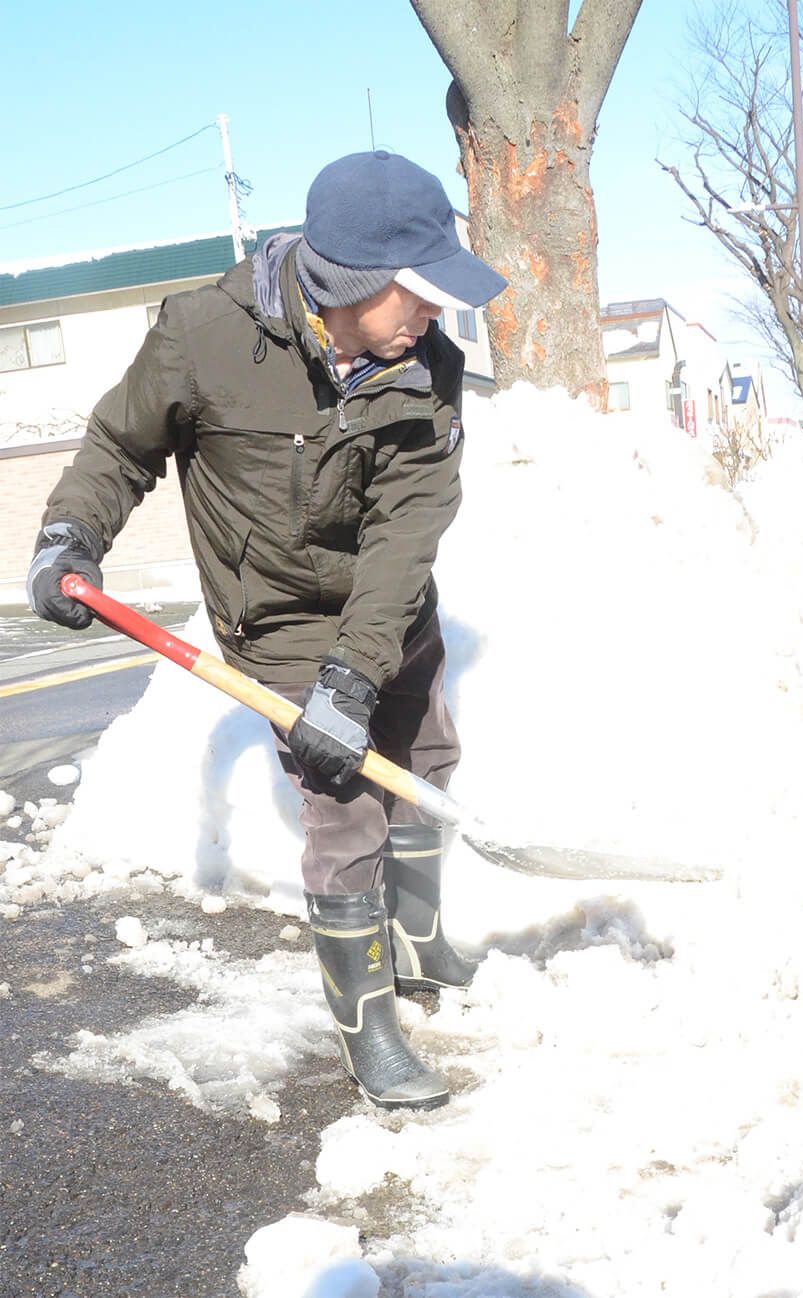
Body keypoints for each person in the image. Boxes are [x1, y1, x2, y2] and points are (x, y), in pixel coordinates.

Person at [26, 150, 508, 1112]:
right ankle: (370, 1032)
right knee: (346, 806)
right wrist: (70, 533)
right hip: (278, 624)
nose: (434, 316)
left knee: (427, 754)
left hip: (388, 603)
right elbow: (122, 445)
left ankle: (419, 948)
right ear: (350, 283)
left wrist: (363, 671)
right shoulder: (203, 335)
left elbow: (407, 528)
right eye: (417, 294)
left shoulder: (431, 370)